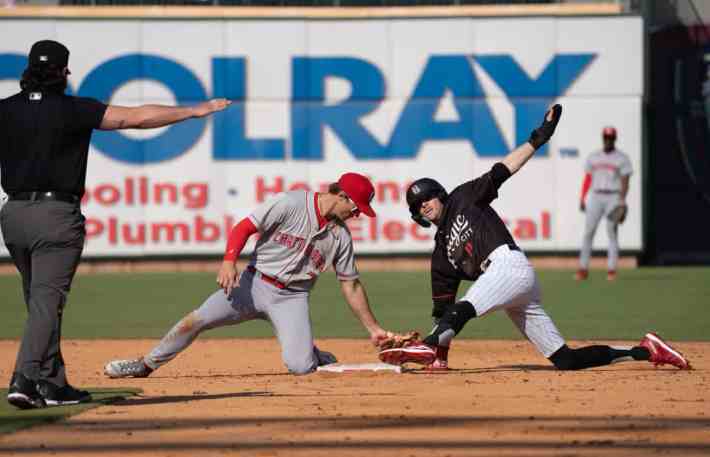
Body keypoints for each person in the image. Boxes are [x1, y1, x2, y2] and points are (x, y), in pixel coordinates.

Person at [0, 39, 231, 409]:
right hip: (55, 217)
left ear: (28, 72)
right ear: (63, 72)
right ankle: (24, 379)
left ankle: (52, 383)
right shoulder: (73, 109)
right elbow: (136, 117)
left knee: (38, 301)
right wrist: (192, 110)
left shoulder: (6, 111)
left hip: (13, 217)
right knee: (46, 302)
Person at [379, 105, 691, 372]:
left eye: (428, 197)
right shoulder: (440, 256)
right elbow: (443, 312)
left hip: (508, 265)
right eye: (418, 206)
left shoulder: (464, 197)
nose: (424, 205)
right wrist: (441, 359)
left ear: (440, 195)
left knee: (467, 306)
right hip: (509, 287)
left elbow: (504, 169)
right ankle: (646, 350)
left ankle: (427, 347)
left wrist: (538, 138)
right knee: (565, 359)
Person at [104, 172, 393, 378]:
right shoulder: (291, 203)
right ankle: (145, 365)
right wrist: (229, 262)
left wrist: (373, 329)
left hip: (292, 297)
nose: (357, 215)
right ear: (342, 196)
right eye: (356, 208)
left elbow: (351, 285)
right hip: (251, 284)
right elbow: (244, 227)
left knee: (301, 367)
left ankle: (308, 351)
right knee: (197, 319)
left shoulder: (340, 237)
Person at [576, 127, 633, 281]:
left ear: (615, 139)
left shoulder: (622, 158)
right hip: (595, 196)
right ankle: (583, 269)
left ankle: (612, 269)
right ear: (603, 138)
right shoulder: (594, 157)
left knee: (612, 233)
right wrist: (582, 197)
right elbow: (588, 178)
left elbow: (625, 181)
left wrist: (622, 200)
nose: (608, 140)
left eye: (610, 138)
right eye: (606, 137)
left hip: (613, 196)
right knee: (589, 232)